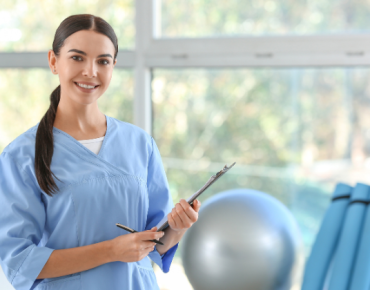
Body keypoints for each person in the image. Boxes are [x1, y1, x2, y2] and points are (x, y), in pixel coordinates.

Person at [0, 14, 201, 290]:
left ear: (114, 66)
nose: (90, 71)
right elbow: (20, 261)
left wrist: (178, 227)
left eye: (103, 61)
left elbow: (156, 243)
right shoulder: (22, 155)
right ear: (53, 61)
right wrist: (111, 251)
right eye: (77, 57)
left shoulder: (140, 144)